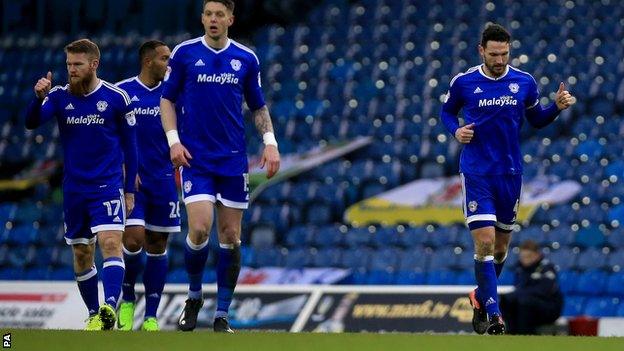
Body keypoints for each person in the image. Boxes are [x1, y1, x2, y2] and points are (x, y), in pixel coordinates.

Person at [440, 24, 575, 335]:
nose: (500, 59)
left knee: (500, 250)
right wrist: (455, 130)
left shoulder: (524, 82)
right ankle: (494, 315)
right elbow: (447, 112)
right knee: (484, 242)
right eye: (494, 54)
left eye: (505, 53)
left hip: (511, 174)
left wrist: (556, 107)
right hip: (477, 172)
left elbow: (537, 119)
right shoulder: (464, 82)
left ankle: (479, 296)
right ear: (481, 51)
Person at [160, 0, 280, 333]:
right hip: (195, 160)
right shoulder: (184, 54)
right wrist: (173, 141)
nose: (213, 20)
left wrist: (270, 143)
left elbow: (258, 106)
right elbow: (166, 99)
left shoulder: (246, 58)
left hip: (231, 160)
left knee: (230, 236)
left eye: (219, 15)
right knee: (199, 228)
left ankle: (222, 314)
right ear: (202, 18)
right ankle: (194, 296)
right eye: (208, 14)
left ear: (230, 19)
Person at [25, 39, 137, 330]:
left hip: (107, 185)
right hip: (74, 189)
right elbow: (31, 122)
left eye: (77, 64)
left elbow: (131, 148)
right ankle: (93, 315)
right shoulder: (60, 97)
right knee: (81, 253)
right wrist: (38, 98)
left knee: (112, 244)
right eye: (68, 65)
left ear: (93, 64)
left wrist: (130, 191)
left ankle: (109, 306)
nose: (71, 70)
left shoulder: (116, 98)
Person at [115, 40, 178, 332]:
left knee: (157, 244)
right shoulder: (123, 92)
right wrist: (126, 168)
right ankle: (127, 299)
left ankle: (151, 315)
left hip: (164, 180)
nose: (170, 63)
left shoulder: (173, 92)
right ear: (148, 61)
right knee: (133, 239)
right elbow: (108, 135)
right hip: (133, 182)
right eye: (165, 58)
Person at [499, 240, 563, 334]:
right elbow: (518, 287)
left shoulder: (547, 268)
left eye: (529, 257)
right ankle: (510, 333)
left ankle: (525, 334)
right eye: (523, 257)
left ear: (537, 255)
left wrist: (519, 294)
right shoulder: (520, 269)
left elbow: (544, 291)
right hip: (525, 302)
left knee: (524, 302)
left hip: (548, 306)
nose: (525, 259)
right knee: (506, 300)